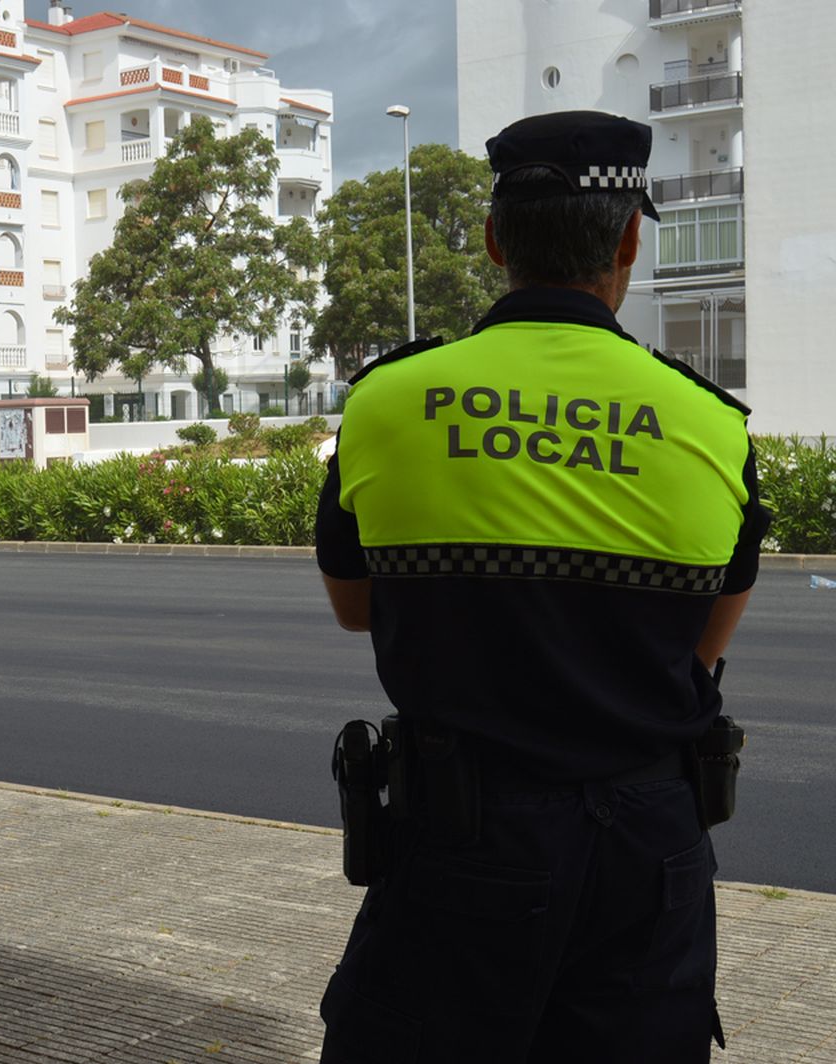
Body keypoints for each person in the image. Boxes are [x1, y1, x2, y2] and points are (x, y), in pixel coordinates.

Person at [313, 111, 770, 1062]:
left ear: (493, 240)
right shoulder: (711, 425)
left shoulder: (386, 400)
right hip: (648, 851)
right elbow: (703, 642)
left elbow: (356, 609)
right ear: (630, 240)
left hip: (462, 840)